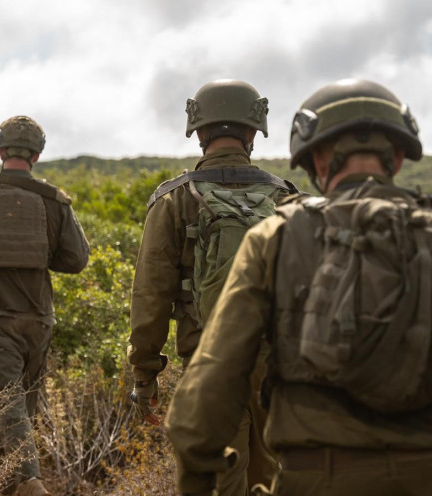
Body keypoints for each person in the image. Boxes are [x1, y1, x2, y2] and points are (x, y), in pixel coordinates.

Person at [166, 78, 432, 496]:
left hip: (315, 478)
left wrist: (198, 474)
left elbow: (210, 385)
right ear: (397, 158)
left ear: (317, 161)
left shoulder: (275, 239)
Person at [127, 79, 291, 495]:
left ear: (198, 132)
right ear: (254, 131)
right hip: (278, 366)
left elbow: (151, 297)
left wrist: (145, 376)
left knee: (217, 480)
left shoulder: (174, 200)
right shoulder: (288, 198)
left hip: (208, 360)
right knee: (277, 477)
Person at [0, 116, 89, 496]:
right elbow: (76, 260)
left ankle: (28, 483)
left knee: (8, 405)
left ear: (0, 150)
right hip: (40, 319)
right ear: (37, 154)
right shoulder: (54, 201)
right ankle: (10, 485)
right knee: (22, 410)